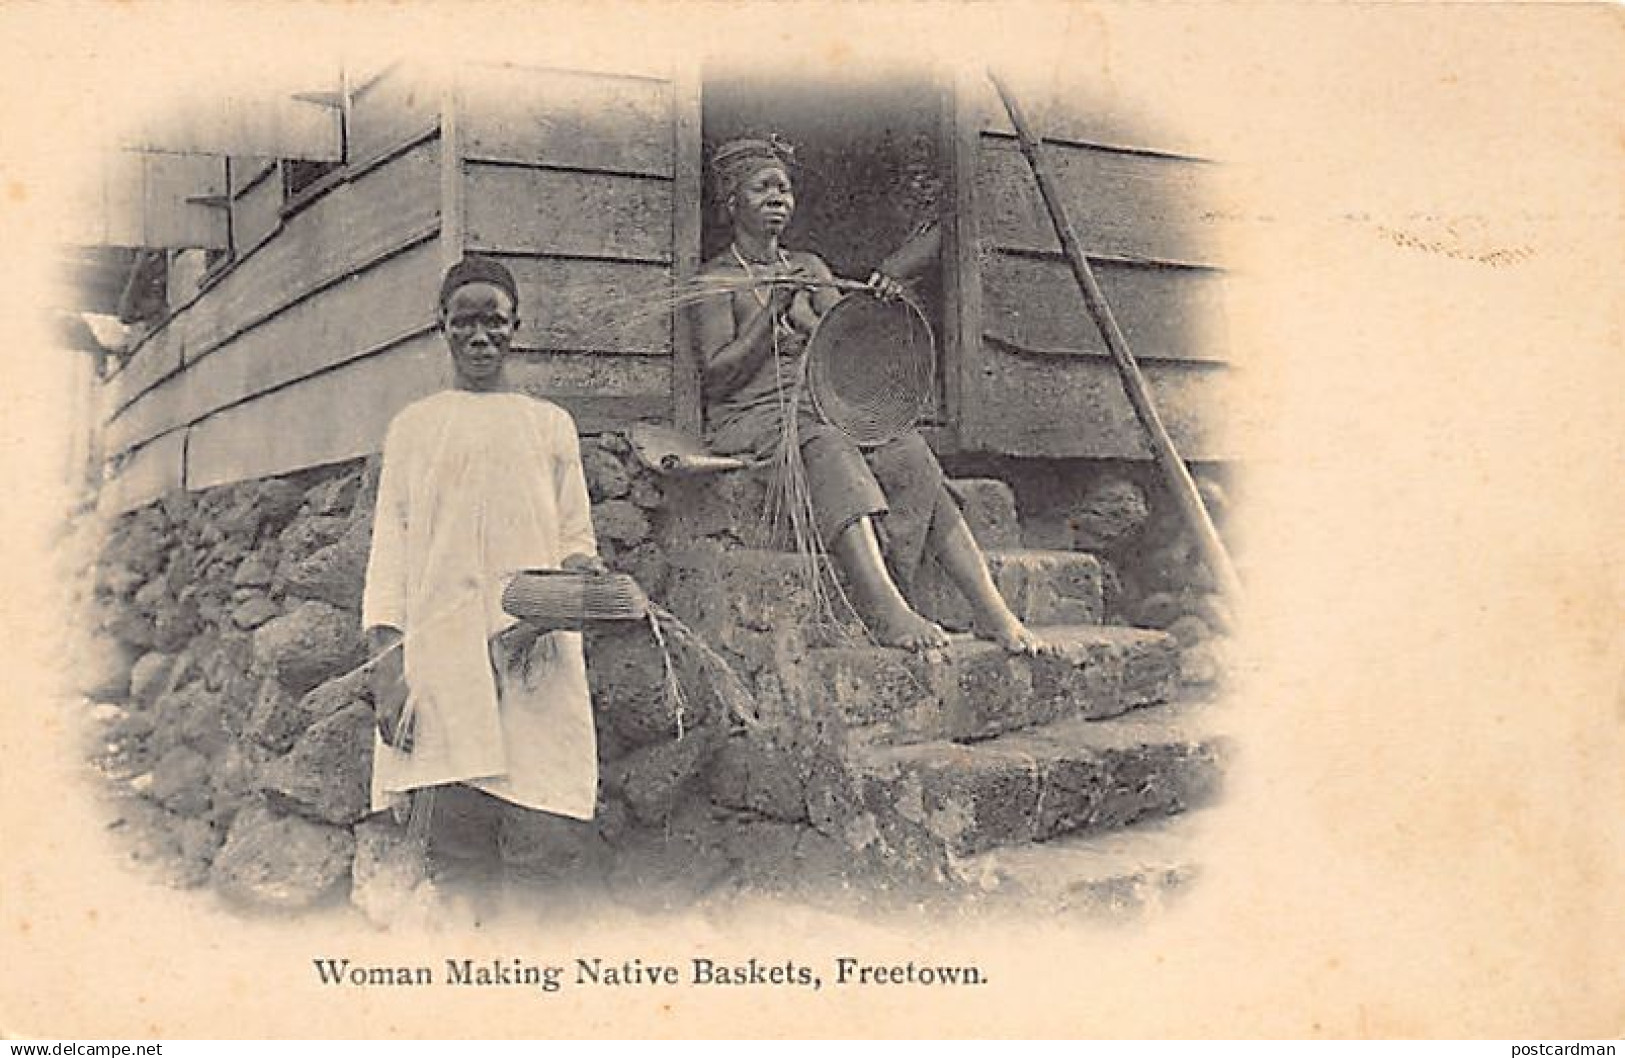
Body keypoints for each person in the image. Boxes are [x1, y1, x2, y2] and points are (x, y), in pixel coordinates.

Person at [693, 137, 1046, 655]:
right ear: (731, 203)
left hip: (821, 403)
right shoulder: (717, 279)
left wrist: (875, 304)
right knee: (828, 446)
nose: (778, 198)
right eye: (762, 188)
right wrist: (773, 311)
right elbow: (717, 376)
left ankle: (990, 608)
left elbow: (847, 348)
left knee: (908, 452)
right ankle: (885, 608)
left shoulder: (810, 267)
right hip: (751, 416)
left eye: (785, 189)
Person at [362, 256, 604, 909]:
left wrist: (583, 577)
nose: (479, 336)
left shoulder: (548, 425)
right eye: (463, 321)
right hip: (443, 662)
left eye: (493, 322)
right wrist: (388, 675)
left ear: (515, 328)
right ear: (440, 326)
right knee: (456, 850)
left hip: (534, 654)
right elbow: (389, 557)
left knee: (540, 836)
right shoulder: (414, 427)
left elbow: (574, 538)